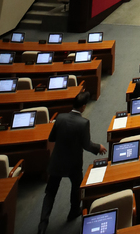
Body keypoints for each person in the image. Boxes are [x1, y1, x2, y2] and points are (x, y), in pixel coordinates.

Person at [37, 91, 106, 233]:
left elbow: (52, 138)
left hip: (57, 160)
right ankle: (74, 211)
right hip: (73, 163)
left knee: (50, 193)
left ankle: (42, 224)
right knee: (76, 187)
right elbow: (87, 145)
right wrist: (98, 147)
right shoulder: (83, 123)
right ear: (83, 107)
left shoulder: (60, 118)